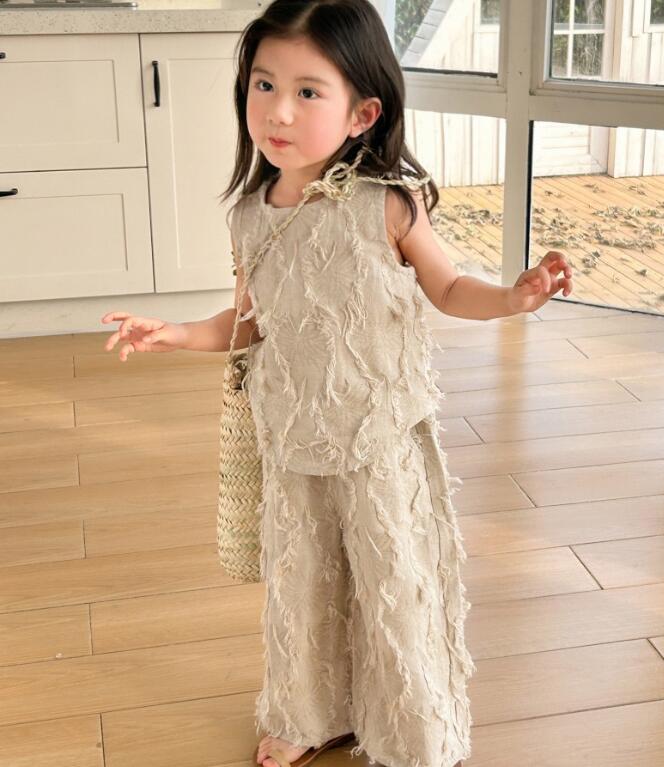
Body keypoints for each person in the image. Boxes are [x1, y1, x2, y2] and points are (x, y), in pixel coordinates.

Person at [101, 1, 573, 765]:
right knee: (303, 582)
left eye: (307, 92)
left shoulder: (384, 205)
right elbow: (251, 320)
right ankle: (309, 712)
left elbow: (449, 288)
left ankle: (412, 731)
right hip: (291, 435)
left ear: (363, 113)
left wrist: (512, 298)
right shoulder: (250, 216)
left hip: (378, 435)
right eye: (262, 85)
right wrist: (178, 333)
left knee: (391, 578)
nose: (277, 111)